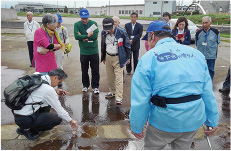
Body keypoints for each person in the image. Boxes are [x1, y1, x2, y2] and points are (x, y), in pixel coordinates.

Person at [129, 20, 219, 150]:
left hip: (164, 121)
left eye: (148, 39)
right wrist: (212, 120)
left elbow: (140, 99)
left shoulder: (148, 58)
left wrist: (137, 126)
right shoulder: (197, 55)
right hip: (192, 119)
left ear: (152, 36)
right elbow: (207, 91)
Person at [13, 68, 77, 140]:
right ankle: (28, 130)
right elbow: (60, 110)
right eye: (59, 82)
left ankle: (22, 127)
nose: (58, 84)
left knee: (47, 103)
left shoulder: (37, 76)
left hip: (18, 112)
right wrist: (71, 121)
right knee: (57, 118)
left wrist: (56, 90)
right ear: (55, 77)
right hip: (25, 118)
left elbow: (39, 91)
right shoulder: (48, 90)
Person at [101, 18, 131, 105]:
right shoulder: (103, 33)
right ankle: (112, 91)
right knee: (110, 77)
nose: (109, 31)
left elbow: (128, 46)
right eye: (107, 29)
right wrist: (103, 57)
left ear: (114, 25)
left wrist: (127, 58)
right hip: (108, 56)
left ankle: (119, 97)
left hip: (119, 57)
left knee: (118, 78)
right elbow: (103, 45)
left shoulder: (122, 32)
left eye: (110, 29)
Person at [74, 8, 100, 94]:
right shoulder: (77, 24)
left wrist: (83, 37)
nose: (84, 20)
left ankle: (95, 86)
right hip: (84, 51)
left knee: (95, 70)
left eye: (86, 18)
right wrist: (87, 35)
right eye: (83, 18)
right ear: (80, 17)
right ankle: (85, 85)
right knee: (84, 70)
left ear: (88, 17)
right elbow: (76, 36)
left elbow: (95, 36)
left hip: (94, 51)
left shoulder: (93, 23)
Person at [195, 16, 220, 80]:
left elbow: (217, 43)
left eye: (206, 23)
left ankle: (209, 83)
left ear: (210, 23)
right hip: (201, 56)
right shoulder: (198, 33)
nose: (204, 25)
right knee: (200, 70)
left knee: (210, 70)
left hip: (211, 56)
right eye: (203, 23)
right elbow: (196, 43)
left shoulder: (215, 32)